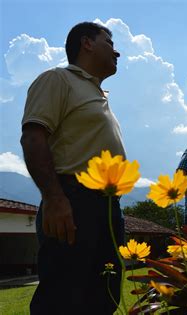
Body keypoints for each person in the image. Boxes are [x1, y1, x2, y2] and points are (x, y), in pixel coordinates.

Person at [21, 22, 124, 314]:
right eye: (109, 41)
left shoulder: (98, 94)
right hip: (73, 201)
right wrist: (54, 198)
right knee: (63, 298)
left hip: (106, 206)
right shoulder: (57, 79)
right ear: (87, 43)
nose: (117, 52)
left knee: (104, 297)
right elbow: (33, 136)